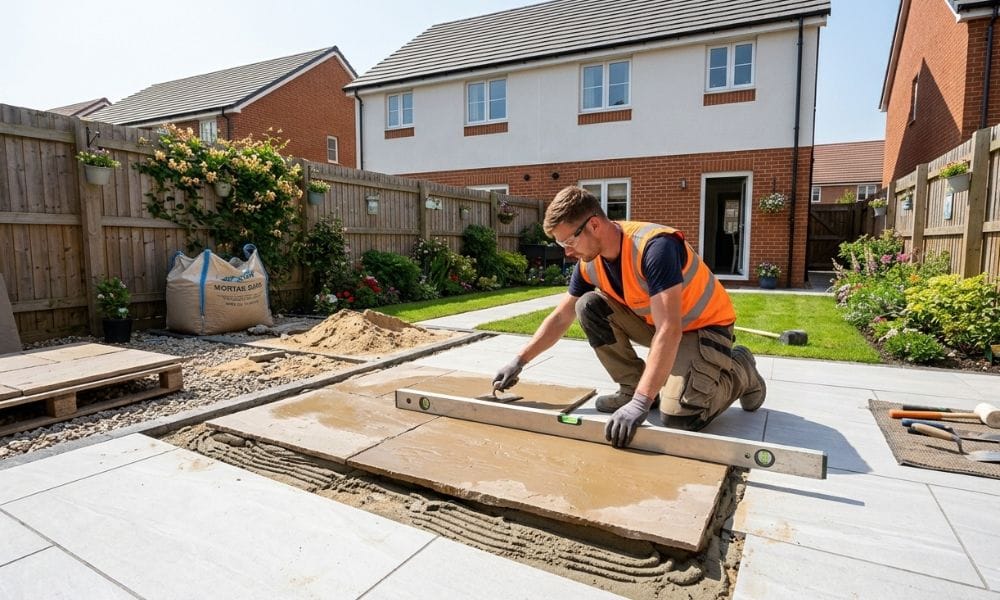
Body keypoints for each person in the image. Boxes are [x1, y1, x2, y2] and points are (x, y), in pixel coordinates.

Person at [492, 186, 766, 448]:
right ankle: (632, 386)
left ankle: (741, 368)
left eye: (569, 241)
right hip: (658, 327)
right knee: (588, 305)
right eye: (560, 243)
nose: (566, 251)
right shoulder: (590, 262)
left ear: (594, 225)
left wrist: (641, 403)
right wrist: (519, 361)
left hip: (704, 328)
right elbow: (561, 317)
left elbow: (669, 330)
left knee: (682, 416)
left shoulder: (655, 248)